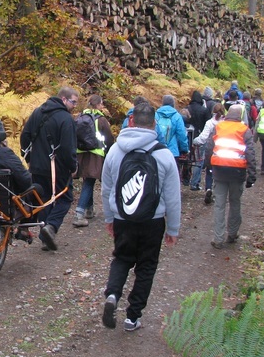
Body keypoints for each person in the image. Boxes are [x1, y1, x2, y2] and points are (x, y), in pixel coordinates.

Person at [100, 103, 181, 331]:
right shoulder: (163, 154)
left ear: (132, 121)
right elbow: (173, 197)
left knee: (122, 258)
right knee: (146, 267)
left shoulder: (116, 150)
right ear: (154, 124)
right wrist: (172, 229)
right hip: (152, 221)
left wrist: (109, 217)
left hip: (122, 218)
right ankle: (132, 317)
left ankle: (113, 295)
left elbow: (106, 189)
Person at [20, 87, 79, 251]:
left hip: (37, 166)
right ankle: (51, 227)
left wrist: (30, 158)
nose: (75, 106)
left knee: (44, 199)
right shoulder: (66, 119)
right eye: (73, 102)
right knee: (65, 198)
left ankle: (45, 235)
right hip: (57, 169)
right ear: (64, 99)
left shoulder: (38, 112)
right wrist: (73, 166)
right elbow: (68, 148)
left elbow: (25, 136)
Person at [204, 105, 256, 249]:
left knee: (219, 205)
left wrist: (208, 165)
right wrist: (252, 175)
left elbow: (209, 147)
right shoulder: (244, 130)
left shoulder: (219, 127)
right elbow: (250, 154)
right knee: (235, 203)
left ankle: (218, 238)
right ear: (240, 116)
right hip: (237, 173)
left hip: (219, 171)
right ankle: (232, 234)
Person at [0, 114, 34, 240]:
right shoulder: (4, 153)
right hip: (7, 200)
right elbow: (24, 179)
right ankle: (24, 227)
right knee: (36, 189)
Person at [73, 95, 114, 227]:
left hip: (80, 154)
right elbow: (108, 137)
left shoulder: (79, 117)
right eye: (101, 104)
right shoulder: (101, 120)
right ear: (97, 105)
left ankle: (89, 210)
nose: (102, 106)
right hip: (95, 154)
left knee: (87, 179)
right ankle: (79, 212)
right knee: (89, 182)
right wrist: (109, 150)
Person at [193, 103, 225, 204]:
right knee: (221, 172)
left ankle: (208, 189)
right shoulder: (226, 123)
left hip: (211, 150)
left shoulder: (210, 123)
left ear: (212, 111)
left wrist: (194, 141)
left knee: (209, 171)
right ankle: (218, 192)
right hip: (223, 151)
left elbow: (203, 138)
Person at [155, 95, 189, 182]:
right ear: (173, 104)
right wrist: (184, 149)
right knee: (172, 178)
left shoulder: (156, 114)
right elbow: (181, 134)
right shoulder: (177, 116)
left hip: (157, 150)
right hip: (172, 152)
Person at [187, 90, 211, 191]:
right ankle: (194, 183)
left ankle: (185, 179)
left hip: (187, 137)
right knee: (198, 161)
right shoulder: (204, 110)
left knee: (185, 160)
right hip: (200, 137)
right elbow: (208, 123)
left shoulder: (186, 109)